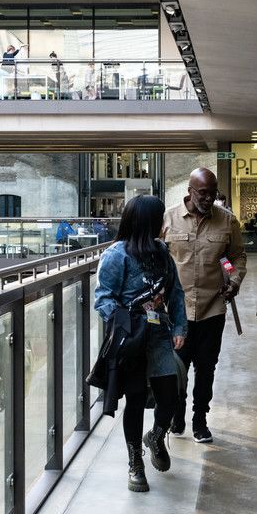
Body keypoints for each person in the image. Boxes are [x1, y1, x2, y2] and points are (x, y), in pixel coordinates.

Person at [95, 195, 186, 492]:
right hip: (130, 342)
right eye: (160, 219)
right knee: (134, 400)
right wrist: (127, 322)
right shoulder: (116, 255)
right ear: (147, 222)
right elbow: (103, 298)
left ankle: (156, 436)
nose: (164, 224)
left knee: (170, 396)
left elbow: (176, 293)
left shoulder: (161, 253)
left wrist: (180, 325)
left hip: (159, 338)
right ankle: (135, 462)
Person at [162, 167, 247, 443]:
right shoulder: (169, 218)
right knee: (178, 366)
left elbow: (234, 257)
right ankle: (178, 412)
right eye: (202, 193)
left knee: (206, 368)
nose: (208, 199)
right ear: (189, 191)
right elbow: (158, 257)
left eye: (212, 194)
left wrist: (233, 281)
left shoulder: (227, 222)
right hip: (178, 311)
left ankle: (200, 419)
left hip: (212, 308)